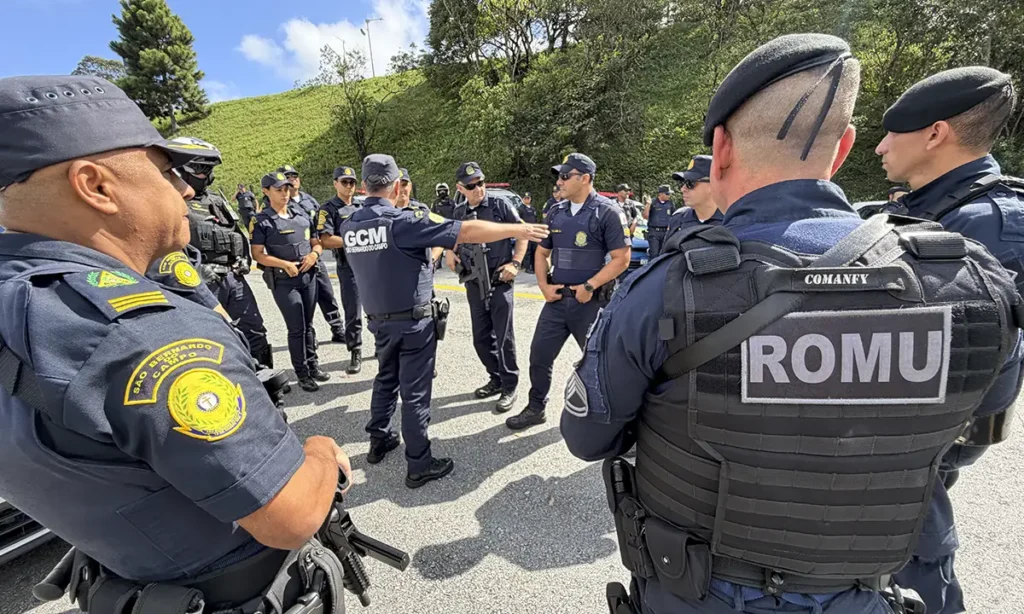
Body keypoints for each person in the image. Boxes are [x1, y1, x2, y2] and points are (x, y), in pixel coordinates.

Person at [558, 34, 1024, 614]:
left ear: (721, 149)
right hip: (865, 592)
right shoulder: (975, 283)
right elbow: (969, 433)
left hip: (695, 591)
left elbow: (587, 436)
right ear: (844, 146)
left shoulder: (663, 291)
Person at [0, 75, 353, 611]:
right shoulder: (143, 332)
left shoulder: (18, 296)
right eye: (165, 172)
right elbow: (290, 514)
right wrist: (321, 452)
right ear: (95, 185)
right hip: (233, 590)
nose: (186, 190)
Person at [875, 65, 1024, 614]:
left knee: (912, 560)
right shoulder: (933, 209)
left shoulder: (989, 224)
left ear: (936, 134)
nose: (880, 146)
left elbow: (970, 368)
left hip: (927, 437)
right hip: (910, 437)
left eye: (893, 132)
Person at [339, 154, 549, 487]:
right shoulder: (402, 222)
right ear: (396, 186)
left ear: (363, 186)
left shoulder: (349, 224)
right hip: (412, 323)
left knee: (385, 379)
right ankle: (419, 463)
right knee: (416, 393)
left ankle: (378, 440)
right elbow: (464, 232)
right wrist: (518, 228)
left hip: (379, 321)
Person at [505, 153, 631, 431]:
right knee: (539, 355)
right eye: (559, 176)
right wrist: (542, 285)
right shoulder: (556, 211)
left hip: (592, 303)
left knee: (600, 363)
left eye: (565, 176)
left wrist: (590, 286)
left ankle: (611, 418)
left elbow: (622, 258)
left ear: (584, 179)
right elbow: (541, 252)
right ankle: (536, 407)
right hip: (558, 301)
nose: (559, 181)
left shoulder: (607, 212)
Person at [153, 137, 274, 371]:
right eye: (201, 169)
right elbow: (163, 250)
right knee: (212, 338)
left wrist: (243, 260)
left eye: (209, 170)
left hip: (233, 278)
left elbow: (236, 233)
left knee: (254, 329)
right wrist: (195, 271)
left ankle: (265, 377)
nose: (206, 175)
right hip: (202, 283)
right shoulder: (170, 202)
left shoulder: (217, 201)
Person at [446, 162, 526, 412]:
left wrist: (515, 262)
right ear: (461, 188)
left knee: (504, 337)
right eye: (472, 186)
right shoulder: (459, 212)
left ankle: (510, 384)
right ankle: (496, 377)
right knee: (481, 338)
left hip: (500, 279)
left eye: (481, 183)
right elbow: (450, 238)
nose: (479, 189)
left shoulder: (500, 205)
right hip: (473, 280)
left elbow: (522, 232)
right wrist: (450, 253)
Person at [252, 171, 331, 392]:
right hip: (285, 281)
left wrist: (314, 255)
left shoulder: (301, 214)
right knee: (296, 327)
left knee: (309, 325)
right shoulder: (261, 221)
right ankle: (302, 373)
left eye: (287, 188)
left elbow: (317, 242)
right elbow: (257, 254)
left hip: (309, 275)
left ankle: (313, 366)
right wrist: (282, 264)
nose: (285, 193)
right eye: (279, 189)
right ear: (266, 192)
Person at [278, 164, 346, 343]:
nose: (292, 179)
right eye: (288, 177)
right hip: (295, 258)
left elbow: (320, 225)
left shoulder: (309, 200)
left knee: (326, 293)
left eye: (294, 176)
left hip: (314, 254)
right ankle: (309, 335)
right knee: (304, 301)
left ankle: (337, 328)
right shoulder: (280, 204)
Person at [318, 165, 365, 374]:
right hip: (349, 265)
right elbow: (326, 239)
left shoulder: (362, 206)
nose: (349, 186)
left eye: (352, 182)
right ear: (335, 183)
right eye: (344, 182)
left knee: (378, 308)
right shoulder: (328, 209)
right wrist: (355, 240)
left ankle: (383, 348)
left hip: (370, 264)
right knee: (353, 310)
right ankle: (355, 349)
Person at [667, 154, 724, 239]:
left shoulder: (733, 222)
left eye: (690, 183)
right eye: (683, 183)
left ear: (713, 184)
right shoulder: (678, 220)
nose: (683, 189)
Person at [643, 184, 675, 257]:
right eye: (667, 194)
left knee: (664, 254)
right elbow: (645, 216)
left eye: (669, 194)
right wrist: (648, 204)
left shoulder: (670, 203)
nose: (669, 195)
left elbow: (674, 217)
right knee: (654, 254)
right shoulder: (653, 202)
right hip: (654, 232)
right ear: (661, 194)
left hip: (666, 232)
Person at [519, 192, 538, 273]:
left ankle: (533, 266)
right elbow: (519, 220)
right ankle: (527, 267)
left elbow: (535, 219)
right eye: (525, 198)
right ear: (523, 199)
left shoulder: (533, 209)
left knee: (534, 249)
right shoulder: (520, 209)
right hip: (525, 231)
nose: (527, 199)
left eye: (528, 198)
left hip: (533, 231)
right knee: (527, 250)